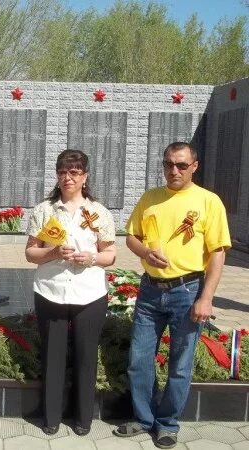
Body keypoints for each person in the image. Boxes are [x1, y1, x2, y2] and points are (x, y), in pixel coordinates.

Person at [114, 142, 231, 449]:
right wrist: (145, 253)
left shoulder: (208, 202)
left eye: (180, 165)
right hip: (151, 289)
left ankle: (167, 424)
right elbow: (132, 236)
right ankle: (143, 419)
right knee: (139, 359)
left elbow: (217, 254)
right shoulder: (151, 198)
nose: (173, 171)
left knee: (180, 363)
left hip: (188, 290)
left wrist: (206, 298)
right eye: (168, 164)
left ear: (195, 166)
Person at [25, 149, 116, 436]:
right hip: (51, 291)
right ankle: (51, 417)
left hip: (89, 293)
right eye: (63, 172)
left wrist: (91, 258)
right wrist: (51, 252)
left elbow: (110, 254)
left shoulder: (98, 212)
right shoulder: (44, 210)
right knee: (53, 355)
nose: (68, 178)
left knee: (86, 356)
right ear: (57, 175)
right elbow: (30, 253)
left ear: (85, 176)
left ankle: (83, 418)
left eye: (75, 172)